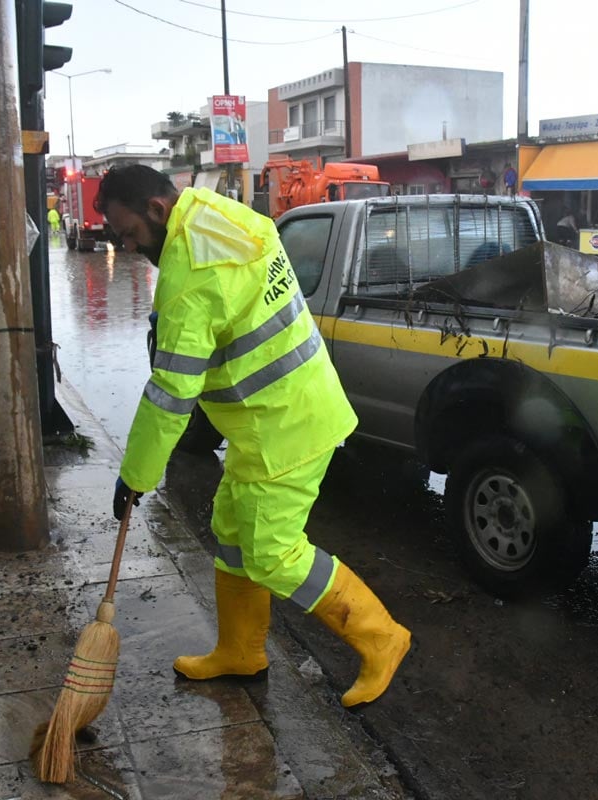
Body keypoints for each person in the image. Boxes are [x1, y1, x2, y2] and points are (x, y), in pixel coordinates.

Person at [99, 165, 411, 708]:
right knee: (233, 529)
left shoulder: (190, 278)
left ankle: (382, 637)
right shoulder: (216, 212)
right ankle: (240, 651)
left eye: (129, 233)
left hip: (282, 427)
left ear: (156, 210)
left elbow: (172, 392)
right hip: (276, 414)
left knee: (271, 551)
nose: (127, 247)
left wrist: (135, 476)